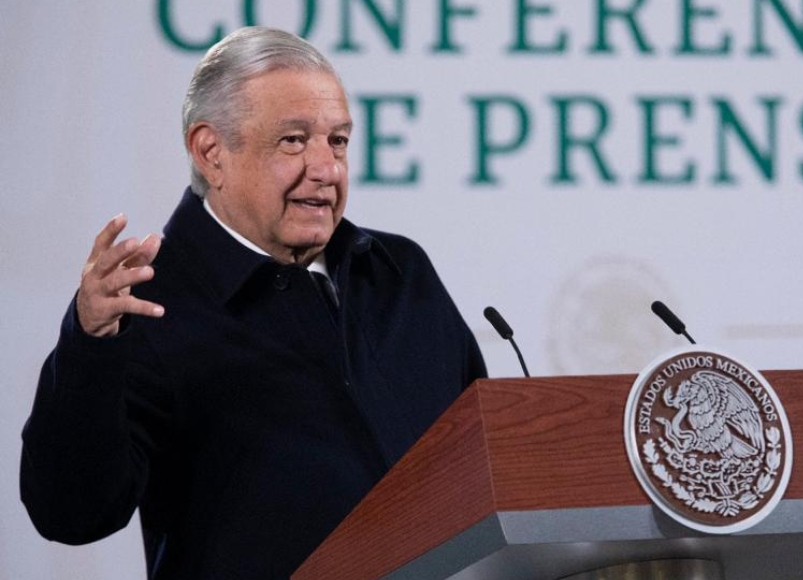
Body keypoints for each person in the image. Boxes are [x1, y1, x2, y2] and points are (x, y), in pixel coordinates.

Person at [20, 27, 486, 579]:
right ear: (211, 152)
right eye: (293, 140)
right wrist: (90, 343)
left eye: (337, 141)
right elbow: (72, 514)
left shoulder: (399, 273)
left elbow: (483, 459)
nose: (326, 168)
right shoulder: (143, 305)